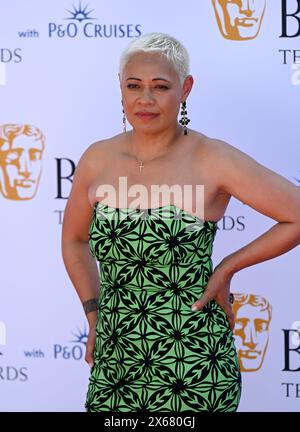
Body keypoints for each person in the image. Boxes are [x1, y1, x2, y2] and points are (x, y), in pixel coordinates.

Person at [61, 32, 300, 412]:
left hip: (193, 360)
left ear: (185, 88)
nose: (145, 98)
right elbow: (74, 240)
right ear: (120, 88)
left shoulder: (213, 158)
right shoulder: (97, 159)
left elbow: (296, 215)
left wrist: (226, 268)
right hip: (116, 359)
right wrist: (94, 314)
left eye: (160, 87)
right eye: (134, 85)